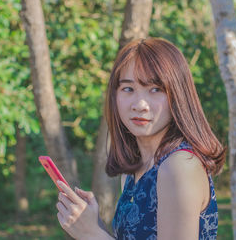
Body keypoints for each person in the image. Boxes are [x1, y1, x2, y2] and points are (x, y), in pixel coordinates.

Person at [55, 37, 226, 240]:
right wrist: (94, 224)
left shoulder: (179, 166)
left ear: (178, 95)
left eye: (155, 89)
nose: (140, 104)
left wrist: (91, 234)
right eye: (128, 89)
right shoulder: (134, 171)